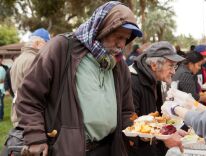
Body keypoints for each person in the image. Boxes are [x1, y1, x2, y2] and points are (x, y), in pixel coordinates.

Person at [15, 1, 142, 156]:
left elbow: (126, 110)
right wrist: (35, 137)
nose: (122, 44)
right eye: (118, 36)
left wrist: (137, 131)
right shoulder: (62, 48)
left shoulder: (118, 64)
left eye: (126, 39)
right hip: (68, 149)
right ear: (102, 29)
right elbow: (29, 97)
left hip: (109, 149)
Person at [128, 41, 186, 156]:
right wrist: (165, 137)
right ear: (154, 65)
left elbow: (156, 118)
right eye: (170, 66)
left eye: (175, 66)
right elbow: (132, 125)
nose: (174, 71)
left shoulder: (156, 79)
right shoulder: (132, 81)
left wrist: (170, 130)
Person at [10, 28, 50, 127]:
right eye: (46, 44)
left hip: (19, 112)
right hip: (29, 116)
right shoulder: (33, 60)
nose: (48, 48)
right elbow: (37, 91)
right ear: (37, 43)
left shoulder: (19, 59)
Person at [0, 55, 8, 121]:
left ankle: (1, 116)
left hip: (2, 87)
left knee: (1, 102)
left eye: (0, 59)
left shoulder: (5, 68)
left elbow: (7, 78)